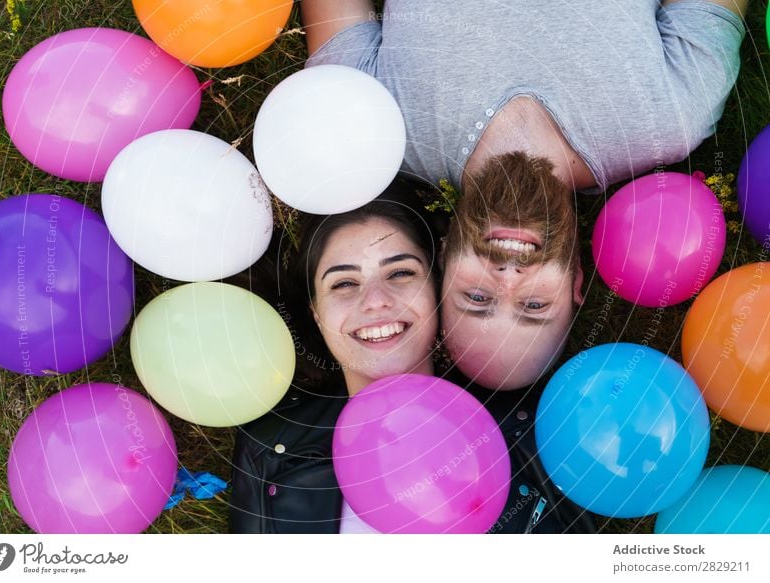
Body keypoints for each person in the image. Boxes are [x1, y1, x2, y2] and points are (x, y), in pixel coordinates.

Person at [300, 1, 748, 389]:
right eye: (533, 305)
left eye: (476, 298)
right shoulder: (673, 118)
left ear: (441, 262)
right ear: (575, 279)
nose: (507, 277)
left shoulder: (374, 124)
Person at [228, 181, 596, 533]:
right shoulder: (270, 450)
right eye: (343, 283)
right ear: (316, 313)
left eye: (401, 273)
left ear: (437, 287)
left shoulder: (536, 428)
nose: (375, 300)